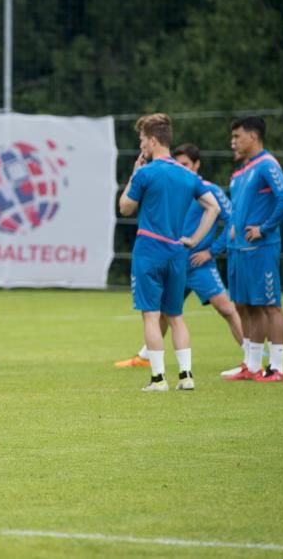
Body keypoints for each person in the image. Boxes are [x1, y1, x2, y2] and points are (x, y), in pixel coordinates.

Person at [114, 143, 245, 371]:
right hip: (174, 260)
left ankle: (251, 361)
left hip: (198, 264)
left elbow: (232, 220)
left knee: (226, 309)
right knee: (165, 313)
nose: (182, 167)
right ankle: (145, 357)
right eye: (179, 163)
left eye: (186, 164)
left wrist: (211, 251)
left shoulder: (208, 189)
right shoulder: (172, 184)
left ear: (197, 164)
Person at [118, 114, 220, 392]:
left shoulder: (147, 173)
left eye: (142, 140)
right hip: (177, 252)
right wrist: (194, 239)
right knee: (176, 316)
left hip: (149, 250)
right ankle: (186, 376)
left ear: (152, 140)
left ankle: (158, 379)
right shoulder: (188, 175)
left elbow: (125, 207)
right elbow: (214, 207)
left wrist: (133, 174)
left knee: (151, 315)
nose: (141, 146)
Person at [223, 116, 283, 382]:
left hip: (261, 248)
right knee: (247, 305)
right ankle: (252, 365)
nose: (232, 142)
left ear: (252, 137)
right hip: (240, 250)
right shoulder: (242, 171)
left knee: (270, 306)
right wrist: (233, 227)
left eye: (237, 137)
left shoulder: (266, 164)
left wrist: (263, 229)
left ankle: (276, 368)